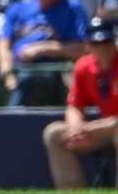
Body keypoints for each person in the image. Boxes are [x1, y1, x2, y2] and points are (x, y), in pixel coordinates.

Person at [0, 0, 87, 107]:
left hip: (52, 71)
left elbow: (83, 49)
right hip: (17, 67)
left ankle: (10, 122)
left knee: (30, 80)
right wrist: (8, 74)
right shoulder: (17, 9)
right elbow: (3, 45)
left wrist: (43, 48)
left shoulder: (72, 8)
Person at [42, 16, 118, 189]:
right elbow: (75, 105)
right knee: (53, 133)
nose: (103, 48)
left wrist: (90, 128)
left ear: (114, 42)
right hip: (103, 131)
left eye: (106, 42)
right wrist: (75, 128)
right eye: (97, 44)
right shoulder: (83, 66)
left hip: (111, 128)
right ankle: (73, 191)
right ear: (88, 46)